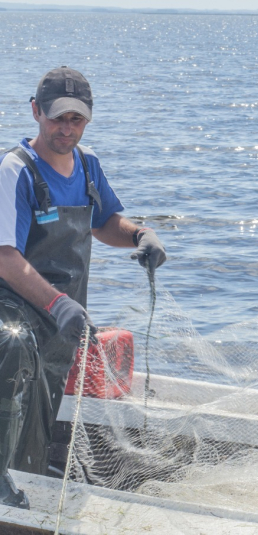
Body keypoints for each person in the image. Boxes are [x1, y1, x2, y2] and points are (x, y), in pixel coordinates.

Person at [0, 67, 167, 509]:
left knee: (42, 410)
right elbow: (5, 257)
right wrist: (58, 304)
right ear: (35, 112)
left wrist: (139, 235)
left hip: (60, 321)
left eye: (76, 119)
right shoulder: (15, 170)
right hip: (13, 309)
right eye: (57, 118)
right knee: (12, 361)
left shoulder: (87, 164)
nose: (66, 128)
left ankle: (27, 487)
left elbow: (104, 221)